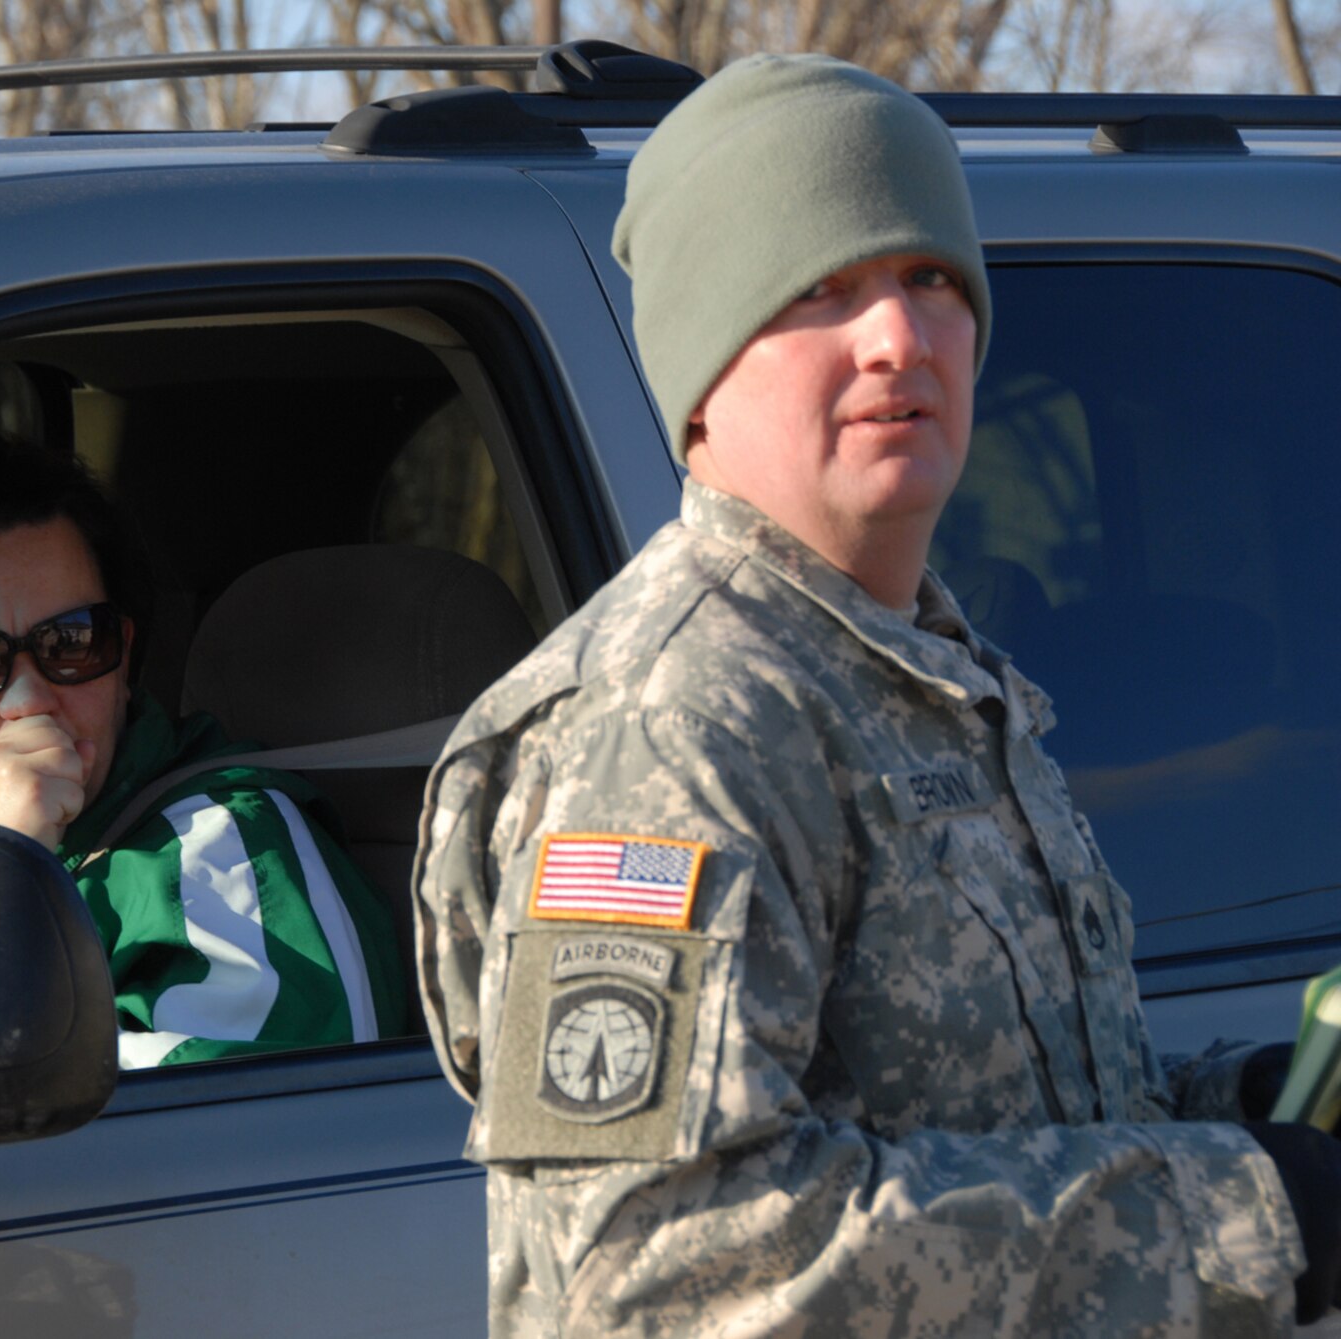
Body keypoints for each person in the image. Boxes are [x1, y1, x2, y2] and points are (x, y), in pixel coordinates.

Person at [411, 53, 1341, 1336]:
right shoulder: (668, 718)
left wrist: (1254, 1114)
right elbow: (655, 1270)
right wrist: (1245, 1214)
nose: (897, 336)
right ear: (702, 367)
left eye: (929, 280)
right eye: (819, 288)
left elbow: (1007, 1122)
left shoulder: (924, 675)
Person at [0, 431, 407, 1068]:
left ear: (124, 656)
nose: (29, 701)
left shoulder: (225, 858)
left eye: (73, 642)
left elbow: (250, 1123)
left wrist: (2, 877)